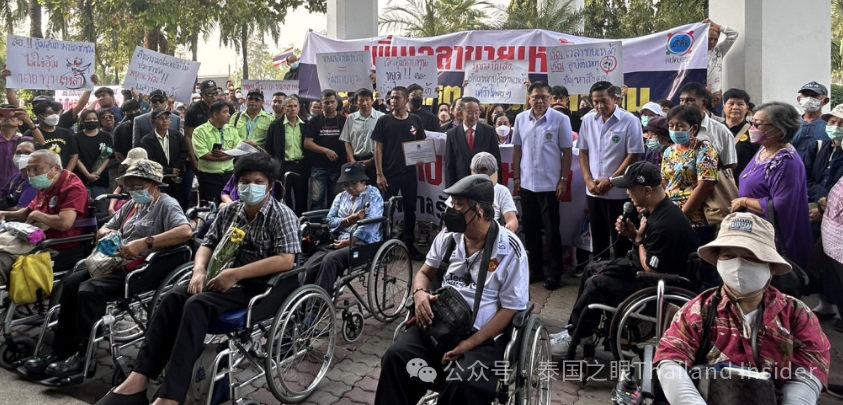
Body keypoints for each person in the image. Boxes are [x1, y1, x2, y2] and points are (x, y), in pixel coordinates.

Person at [96, 153, 300, 405]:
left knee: (196, 304)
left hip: (261, 287)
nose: (251, 187)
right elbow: (207, 243)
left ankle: (170, 396)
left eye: (258, 182)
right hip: (221, 277)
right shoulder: (230, 211)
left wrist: (236, 274)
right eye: (245, 182)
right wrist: (199, 270)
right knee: (173, 297)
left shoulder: (282, 215)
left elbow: (286, 260)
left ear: (270, 185)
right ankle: (137, 380)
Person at [21, 159, 192, 379]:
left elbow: (185, 232)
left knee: (89, 290)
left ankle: (83, 355)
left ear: (155, 184)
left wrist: (145, 243)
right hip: (115, 261)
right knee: (71, 283)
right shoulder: (132, 205)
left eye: (139, 186)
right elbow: (106, 227)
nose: (134, 191)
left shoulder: (167, 204)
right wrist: (108, 234)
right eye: (130, 186)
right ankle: (60, 351)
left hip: (143, 268)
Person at [374, 174, 529, 405]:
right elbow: (424, 273)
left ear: (478, 211)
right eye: (451, 204)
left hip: (482, 337)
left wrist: (469, 343)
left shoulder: (510, 249)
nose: (450, 211)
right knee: (396, 357)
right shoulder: (448, 237)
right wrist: (419, 294)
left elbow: (510, 309)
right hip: (440, 324)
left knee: (465, 382)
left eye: (458, 205)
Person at [655, 212, 830, 405]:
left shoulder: (797, 314)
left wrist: (795, 400)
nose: (738, 265)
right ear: (718, 261)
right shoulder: (697, 311)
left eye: (751, 257)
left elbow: (811, 366)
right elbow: (671, 360)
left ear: (771, 267)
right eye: (729, 256)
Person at [550, 161, 698, 358]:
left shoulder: (666, 224)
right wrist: (634, 234)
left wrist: (638, 238)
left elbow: (651, 268)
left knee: (597, 283)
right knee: (592, 268)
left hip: (659, 290)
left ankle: (577, 337)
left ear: (647, 191)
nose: (627, 193)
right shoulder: (657, 211)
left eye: (630, 188)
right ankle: (578, 332)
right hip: (645, 274)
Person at [733, 102, 812, 272]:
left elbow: (780, 206)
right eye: (752, 122)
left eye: (758, 124)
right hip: (754, 231)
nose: (752, 128)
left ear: (779, 130)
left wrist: (744, 201)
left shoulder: (786, 162)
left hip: (772, 239)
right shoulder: (765, 149)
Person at [513, 81, 573, 290]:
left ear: (550, 98)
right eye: (536, 97)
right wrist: (516, 176)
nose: (540, 101)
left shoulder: (561, 119)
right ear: (529, 99)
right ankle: (535, 269)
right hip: (527, 183)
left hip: (550, 185)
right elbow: (517, 149)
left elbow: (567, 152)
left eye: (544, 97)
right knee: (530, 230)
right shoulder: (521, 119)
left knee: (551, 230)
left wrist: (563, 180)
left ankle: (555, 272)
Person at [577, 81, 644, 263]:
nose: (600, 106)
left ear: (615, 99)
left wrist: (611, 181)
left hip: (619, 192)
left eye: (604, 101)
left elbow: (633, 155)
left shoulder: (630, 121)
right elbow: (583, 152)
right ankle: (600, 272)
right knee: (598, 238)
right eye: (595, 102)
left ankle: (621, 272)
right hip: (593, 190)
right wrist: (588, 180)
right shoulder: (588, 120)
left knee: (620, 240)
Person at [0, 150, 90, 278]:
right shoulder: (46, 184)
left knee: (2, 260)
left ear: (56, 169)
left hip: (55, 245)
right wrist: (4, 213)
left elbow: (64, 223)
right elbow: (26, 213)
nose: (31, 174)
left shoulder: (73, 188)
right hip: (33, 238)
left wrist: (37, 215)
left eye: (36, 169)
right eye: (29, 169)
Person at [302, 161, 384, 295]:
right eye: (346, 184)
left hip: (363, 244)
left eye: (354, 183)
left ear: (363, 181)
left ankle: (318, 303)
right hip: (339, 240)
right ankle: (302, 301)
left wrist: (347, 242)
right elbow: (330, 221)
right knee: (310, 266)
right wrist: (350, 219)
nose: (350, 187)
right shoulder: (341, 196)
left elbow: (369, 227)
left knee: (331, 260)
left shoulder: (372, 194)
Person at [372, 86, 427, 261]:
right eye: (391, 98)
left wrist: (421, 157)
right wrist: (379, 174)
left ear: (406, 100)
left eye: (397, 98)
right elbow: (378, 149)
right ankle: (383, 246)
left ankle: (409, 244)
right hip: (390, 174)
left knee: (410, 210)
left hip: (409, 173)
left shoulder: (416, 120)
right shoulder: (384, 121)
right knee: (386, 210)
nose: (393, 101)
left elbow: (421, 143)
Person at [663, 106, 720, 243]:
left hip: (696, 221)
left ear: (694, 128)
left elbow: (705, 186)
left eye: (680, 126)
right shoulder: (669, 151)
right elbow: (665, 181)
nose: (675, 130)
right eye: (671, 125)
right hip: (671, 217)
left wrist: (681, 216)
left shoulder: (704, 149)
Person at [446, 152, 518, 233]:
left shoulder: (502, 191)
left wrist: (508, 229)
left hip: (492, 232)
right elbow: (449, 213)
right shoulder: (462, 188)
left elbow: (512, 219)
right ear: (471, 170)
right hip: (463, 231)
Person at [444, 96, 502, 188]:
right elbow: (449, 165)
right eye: (470, 112)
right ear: (461, 113)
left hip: (484, 183)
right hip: (461, 185)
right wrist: (450, 189)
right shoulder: (452, 134)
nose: (474, 116)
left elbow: (496, 160)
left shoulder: (489, 131)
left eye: (477, 112)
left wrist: (497, 186)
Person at [679, 82, 738, 171]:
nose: (684, 104)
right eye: (681, 100)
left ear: (704, 103)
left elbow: (730, 165)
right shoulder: (673, 128)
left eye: (689, 100)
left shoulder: (721, 131)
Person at [304, 89, 347, 210]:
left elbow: (349, 141)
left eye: (332, 102)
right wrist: (326, 151)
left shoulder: (344, 120)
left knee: (336, 201)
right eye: (326, 102)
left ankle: (333, 222)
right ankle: (315, 222)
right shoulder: (314, 121)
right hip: (319, 167)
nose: (330, 105)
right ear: (321, 104)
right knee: (317, 200)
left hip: (338, 166)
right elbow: (307, 143)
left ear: (337, 103)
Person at [266, 96, 309, 215]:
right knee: (284, 196)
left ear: (299, 108)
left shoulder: (305, 124)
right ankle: (285, 218)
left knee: (302, 196)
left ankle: (301, 220)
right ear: (284, 108)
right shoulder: (276, 125)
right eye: (289, 106)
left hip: (301, 165)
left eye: (295, 106)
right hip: (283, 165)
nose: (292, 109)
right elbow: (269, 147)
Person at [192, 101, 241, 205]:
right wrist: (229, 155)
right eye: (225, 112)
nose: (229, 115)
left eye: (229, 112)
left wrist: (225, 154)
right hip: (209, 177)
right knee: (210, 207)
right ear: (215, 114)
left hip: (229, 176)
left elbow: (238, 150)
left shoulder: (232, 130)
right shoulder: (199, 131)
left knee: (230, 206)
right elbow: (204, 155)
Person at [139, 110, 189, 208]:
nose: (165, 121)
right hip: (159, 180)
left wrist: (176, 169)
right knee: (160, 206)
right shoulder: (146, 140)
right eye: (161, 119)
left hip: (177, 179)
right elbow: (149, 161)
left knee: (179, 205)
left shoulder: (177, 136)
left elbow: (183, 153)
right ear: (153, 122)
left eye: (167, 118)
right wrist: (168, 170)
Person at [183, 80, 223, 204]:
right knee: (207, 197)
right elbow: (188, 136)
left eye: (216, 93)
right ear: (202, 95)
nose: (214, 96)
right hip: (202, 157)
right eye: (210, 94)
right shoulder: (193, 111)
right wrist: (193, 160)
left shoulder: (223, 107)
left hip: (222, 158)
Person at [340, 88, 384, 186]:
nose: (364, 103)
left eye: (367, 100)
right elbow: (347, 141)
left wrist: (371, 160)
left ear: (372, 101)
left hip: (375, 162)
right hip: (356, 161)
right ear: (356, 103)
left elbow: (385, 143)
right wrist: (352, 160)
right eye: (361, 100)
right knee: (357, 191)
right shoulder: (351, 118)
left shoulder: (381, 117)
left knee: (375, 191)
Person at [73, 110, 113, 207]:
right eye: (88, 119)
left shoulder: (106, 136)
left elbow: (107, 156)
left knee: (100, 207)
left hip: (100, 179)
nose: (92, 121)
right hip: (82, 179)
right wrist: (87, 175)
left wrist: (97, 172)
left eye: (94, 119)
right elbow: (76, 158)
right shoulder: (76, 137)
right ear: (83, 121)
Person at [805, 104, 843, 204]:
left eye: (842, 123)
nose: (836, 127)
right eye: (832, 122)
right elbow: (805, 176)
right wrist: (821, 198)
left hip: (837, 207)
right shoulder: (817, 146)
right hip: (811, 202)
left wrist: (826, 205)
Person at [27, 99, 78, 171]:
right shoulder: (30, 133)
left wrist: (66, 173)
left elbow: (74, 155)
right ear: (39, 116)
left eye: (56, 113)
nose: (55, 116)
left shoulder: (66, 133)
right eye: (50, 113)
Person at [722, 88, 759, 182]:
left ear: (747, 108)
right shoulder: (715, 130)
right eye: (731, 103)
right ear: (724, 107)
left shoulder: (754, 132)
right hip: (718, 185)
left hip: (743, 184)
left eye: (740, 104)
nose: (735, 107)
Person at [792, 81, 832, 162]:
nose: (809, 99)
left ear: (825, 101)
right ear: (799, 99)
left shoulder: (831, 126)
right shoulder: (790, 124)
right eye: (806, 95)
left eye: (815, 96)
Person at [0, 105, 37, 188]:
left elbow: (41, 143)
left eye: (13, 115)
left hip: (17, 187)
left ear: (20, 122)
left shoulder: (24, 141)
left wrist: (30, 123)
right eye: (4, 115)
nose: (8, 117)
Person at [704, 18, 739, 98]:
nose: (712, 42)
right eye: (709, 38)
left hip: (716, 95)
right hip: (701, 94)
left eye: (715, 39)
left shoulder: (719, 50)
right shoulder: (696, 52)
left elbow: (734, 34)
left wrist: (716, 25)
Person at [0, 141, 36, 211]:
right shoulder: (16, 176)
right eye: (18, 153)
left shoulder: (34, 181)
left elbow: (22, 209)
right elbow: (2, 194)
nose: (22, 156)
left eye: (27, 153)